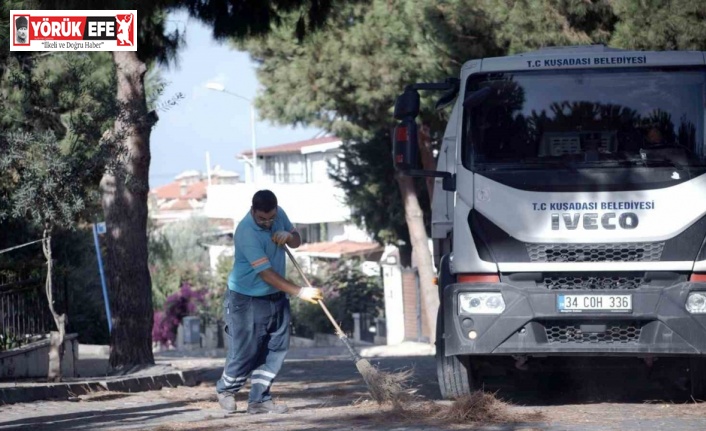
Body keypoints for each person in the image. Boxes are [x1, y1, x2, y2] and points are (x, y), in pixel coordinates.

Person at [216, 190, 323, 415]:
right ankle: (226, 389)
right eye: (262, 219)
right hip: (246, 298)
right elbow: (266, 273)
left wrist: (288, 235)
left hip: (275, 296)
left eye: (271, 218)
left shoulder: (278, 214)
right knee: (247, 350)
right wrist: (300, 292)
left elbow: (296, 241)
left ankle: (259, 400)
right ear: (252, 210)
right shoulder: (246, 232)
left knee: (275, 348)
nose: (267, 223)